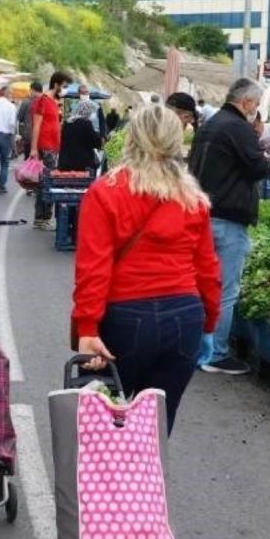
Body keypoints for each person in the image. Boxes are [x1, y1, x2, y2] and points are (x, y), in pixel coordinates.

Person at [72, 105, 221, 434]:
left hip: (125, 317)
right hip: (184, 317)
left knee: (109, 427)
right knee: (157, 430)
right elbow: (207, 269)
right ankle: (151, 485)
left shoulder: (106, 192)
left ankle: (109, 485)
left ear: (131, 138)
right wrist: (208, 325)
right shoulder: (192, 197)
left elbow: (93, 269)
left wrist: (87, 328)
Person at [190, 78, 269, 375]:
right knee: (225, 288)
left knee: (201, 285)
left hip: (203, 214)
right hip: (228, 218)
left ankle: (197, 348)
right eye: (256, 104)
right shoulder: (238, 127)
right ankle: (216, 353)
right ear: (247, 102)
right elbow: (259, 168)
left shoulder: (210, 124)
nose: (256, 109)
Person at [30, 70, 73, 230]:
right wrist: (34, 148)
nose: (65, 90)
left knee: (47, 182)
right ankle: (42, 218)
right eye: (64, 86)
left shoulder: (53, 102)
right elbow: (37, 125)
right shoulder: (43, 101)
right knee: (46, 183)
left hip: (53, 147)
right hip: (45, 146)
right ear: (56, 84)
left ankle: (43, 218)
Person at [58, 100, 101, 172]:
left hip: (65, 164)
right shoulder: (86, 124)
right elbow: (96, 143)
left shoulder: (67, 123)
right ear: (88, 111)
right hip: (82, 166)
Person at [17, 81, 43, 159]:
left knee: (28, 157)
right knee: (40, 159)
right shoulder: (45, 101)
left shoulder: (26, 102)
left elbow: (19, 117)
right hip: (42, 135)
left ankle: (30, 170)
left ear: (33, 90)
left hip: (29, 134)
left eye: (30, 90)